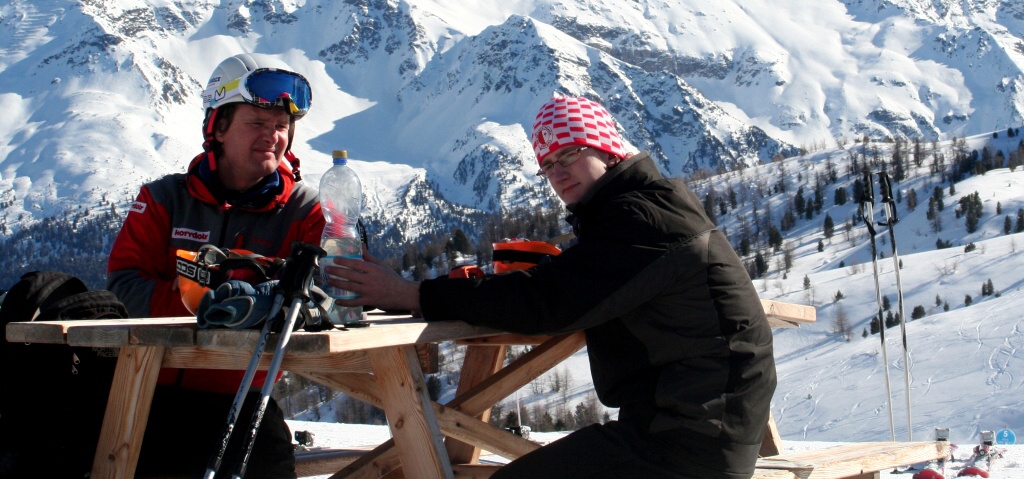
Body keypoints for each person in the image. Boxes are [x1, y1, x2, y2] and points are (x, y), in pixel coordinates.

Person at [329, 94, 777, 479]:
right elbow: (576, 287)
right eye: (547, 166)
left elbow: (547, 303)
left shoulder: (642, 219)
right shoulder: (643, 208)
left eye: (570, 155)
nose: (558, 173)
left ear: (607, 149)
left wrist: (412, 295)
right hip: (701, 426)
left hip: (692, 441)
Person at [106, 53, 325, 479]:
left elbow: (321, 295)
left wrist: (252, 297)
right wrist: (203, 300)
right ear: (218, 127)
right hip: (148, 391)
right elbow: (121, 288)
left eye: (281, 127)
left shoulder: (305, 210)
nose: (272, 137)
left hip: (242, 400)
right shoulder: (164, 199)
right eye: (257, 124)